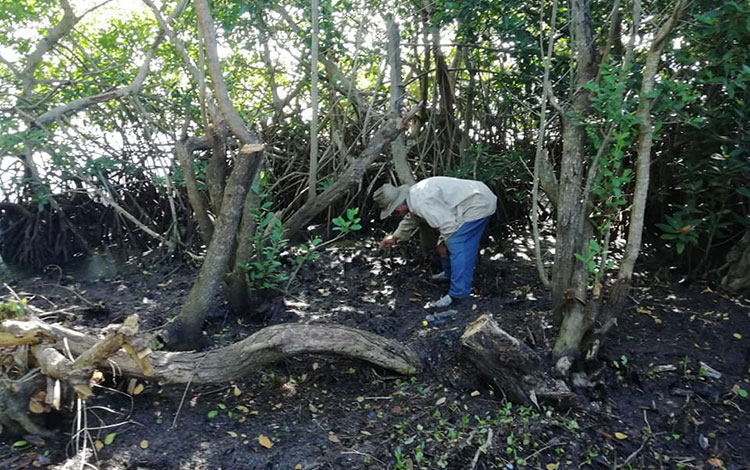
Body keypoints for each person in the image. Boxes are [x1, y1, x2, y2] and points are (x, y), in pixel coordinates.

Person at [373, 176, 497, 309]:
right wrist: (395, 237)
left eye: (394, 211)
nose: (397, 213)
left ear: (398, 208)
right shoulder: (414, 196)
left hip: (477, 203)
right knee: (445, 246)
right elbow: (413, 218)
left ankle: (459, 295)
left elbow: (449, 226)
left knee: (458, 245)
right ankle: (450, 274)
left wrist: (445, 243)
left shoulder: (421, 203)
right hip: (470, 201)